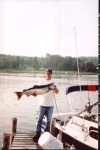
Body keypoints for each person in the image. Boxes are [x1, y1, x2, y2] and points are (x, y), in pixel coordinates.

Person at [33, 68, 59, 141]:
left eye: (50, 73)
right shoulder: (42, 81)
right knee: (39, 119)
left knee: (48, 120)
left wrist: (55, 89)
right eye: (47, 73)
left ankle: (47, 133)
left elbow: (57, 92)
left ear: (51, 74)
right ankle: (37, 133)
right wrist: (34, 93)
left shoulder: (53, 82)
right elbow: (37, 91)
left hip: (50, 104)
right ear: (45, 74)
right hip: (42, 103)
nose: (48, 74)